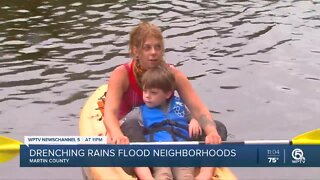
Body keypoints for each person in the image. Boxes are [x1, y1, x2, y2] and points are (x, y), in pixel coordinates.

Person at [103, 21, 222, 180]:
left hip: (168, 135)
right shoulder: (122, 74)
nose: (154, 52)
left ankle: (205, 173)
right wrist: (116, 134)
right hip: (136, 137)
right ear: (136, 50)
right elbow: (109, 113)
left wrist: (210, 132)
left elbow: (199, 109)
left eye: (158, 47)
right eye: (147, 47)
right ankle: (146, 174)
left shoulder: (173, 74)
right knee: (130, 126)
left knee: (218, 128)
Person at [136, 64, 212, 179]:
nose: (147, 96)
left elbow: (193, 114)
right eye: (145, 91)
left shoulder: (179, 104)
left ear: (167, 94)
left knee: (186, 175)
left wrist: (194, 120)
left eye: (153, 93)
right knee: (163, 174)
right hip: (159, 153)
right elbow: (125, 124)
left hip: (182, 151)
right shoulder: (140, 111)